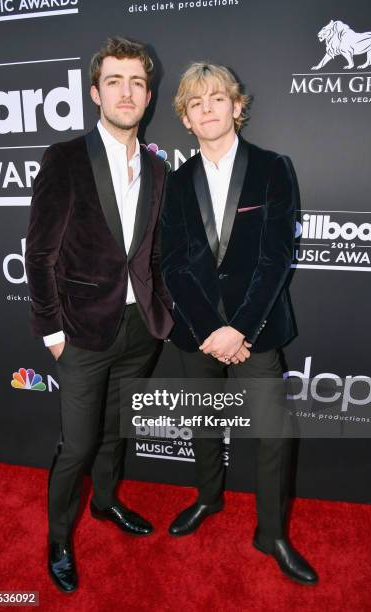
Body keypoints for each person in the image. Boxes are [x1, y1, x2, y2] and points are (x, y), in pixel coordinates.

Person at [25, 37, 173, 593]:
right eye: (115, 81)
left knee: (115, 435)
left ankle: (106, 504)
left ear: (149, 94)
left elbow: (154, 252)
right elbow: (37, 255)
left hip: (141, 331)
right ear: (95, 92)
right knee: (79, 445)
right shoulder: (65, 159)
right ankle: (59, 537)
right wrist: (54, 332)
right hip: (82, 335)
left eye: (136, 82)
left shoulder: (159, 169)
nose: (126, 91)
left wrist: (164, 309)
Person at [161, 62, 318, 585]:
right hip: (197, 333)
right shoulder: (176, 182)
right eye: (195, 104)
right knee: (206, 424)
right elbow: (173, 264)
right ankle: (208, 499)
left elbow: (276, 260)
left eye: (216, 99)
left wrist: (240, 330)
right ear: (185, 118)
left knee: (274, 431)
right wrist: (211, 330)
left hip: (258, 331)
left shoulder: (274, 168)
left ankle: (271, 532)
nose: (207, 110)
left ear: (236, 105)